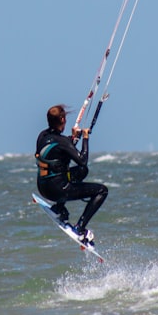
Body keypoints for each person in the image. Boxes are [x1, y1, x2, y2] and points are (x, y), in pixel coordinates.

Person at [35, 104, 108, 244]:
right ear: (62, 120)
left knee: (82, 172)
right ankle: (80, 228)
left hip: (43, 187)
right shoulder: (62, 141)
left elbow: (59, 149)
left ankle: (59, 208)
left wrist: (73, 138)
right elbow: (82, 160)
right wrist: (85, 138)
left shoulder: (42, 136)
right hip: (58, 191)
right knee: (102, 191)